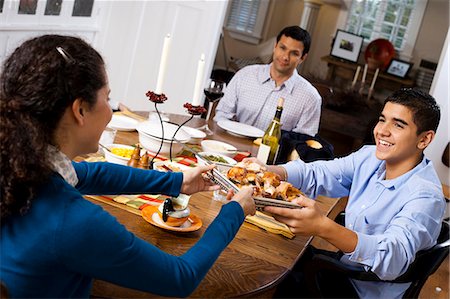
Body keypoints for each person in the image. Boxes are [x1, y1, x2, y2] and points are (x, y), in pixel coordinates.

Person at [0, 35, 255, 298]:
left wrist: (178, 182)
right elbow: (180, 277)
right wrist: (235, 211)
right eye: (107, 98)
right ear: (80, 111)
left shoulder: (20, 165)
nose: (111, 110)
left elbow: (93, 173)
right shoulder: (74, 221)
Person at [249, 88, 445, 298]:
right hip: (343, 268)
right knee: (268, 254)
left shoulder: (426, 196)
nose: (382, 131)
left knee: (263, 277)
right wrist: (270, 171)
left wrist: (322, 227)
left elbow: (391, 258)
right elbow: (319, 173)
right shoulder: (370, 157)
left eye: (398, 124)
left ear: (424, 140)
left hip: (361, 289)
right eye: (382, 120)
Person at [214, 25, 321, 136]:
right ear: (275, 47)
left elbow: (303, 141)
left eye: (294, 53)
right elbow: (222, 115)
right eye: (282, 48)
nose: (285, 57)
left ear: (302, 58)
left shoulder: (311, 98)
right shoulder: (244, 75)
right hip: (231, 145)